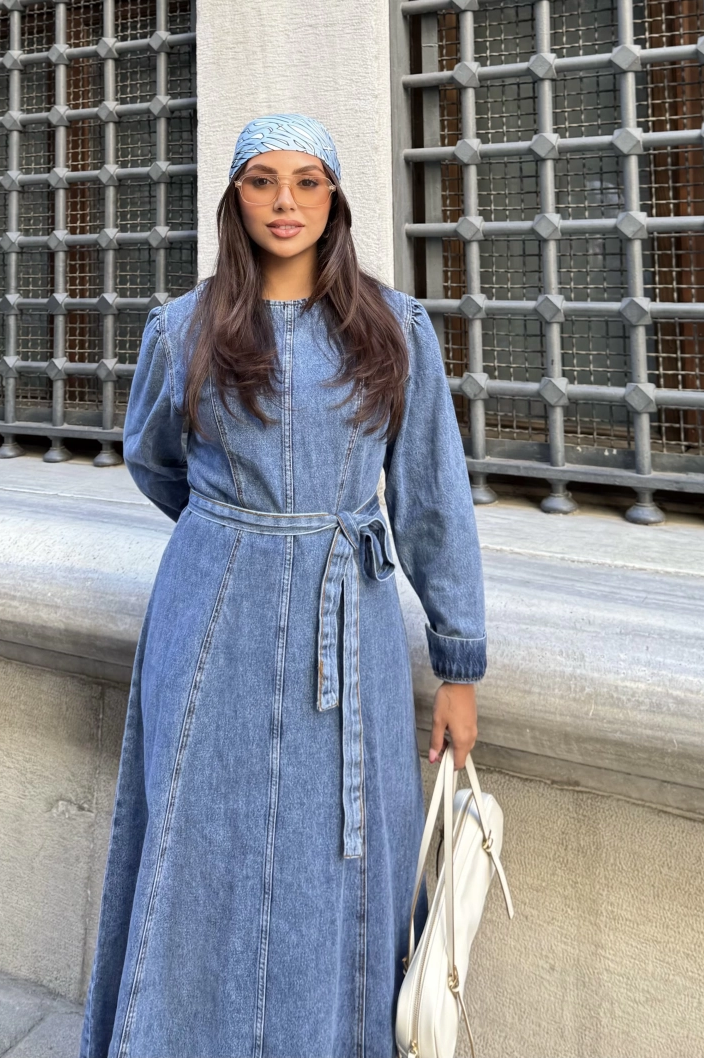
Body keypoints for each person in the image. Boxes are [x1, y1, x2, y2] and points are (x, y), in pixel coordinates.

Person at [80, 114, 486, 1058]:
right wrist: (236, 533)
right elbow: (153, 458)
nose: (286, 202)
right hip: (212, 620)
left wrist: (458, 665)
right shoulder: (182, 328)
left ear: (335, 198)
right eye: (262, 181)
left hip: (352, 625)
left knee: (343, 856)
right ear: (235, 199)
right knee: (203, 842)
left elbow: (433, 500)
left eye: (307, 181)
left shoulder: (394, 328)